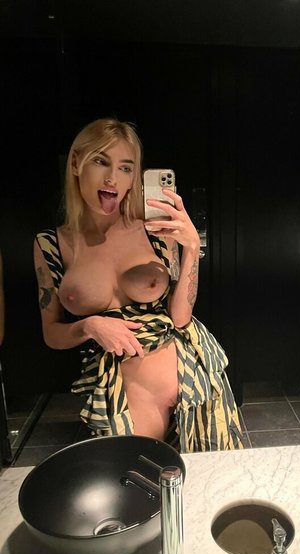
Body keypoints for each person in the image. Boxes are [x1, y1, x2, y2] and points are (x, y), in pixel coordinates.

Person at [34, 118, 244, 452]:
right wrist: (90, 326)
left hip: (190, 375)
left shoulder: (155, 230)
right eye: (101, 161)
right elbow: (51, 333)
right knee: (136, 472)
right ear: (75, 164)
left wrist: (192, 248)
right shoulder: (51, 245)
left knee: (212, 474)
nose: (112, 178)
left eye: (125, 167)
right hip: (122, 389)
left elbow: (180, 317)